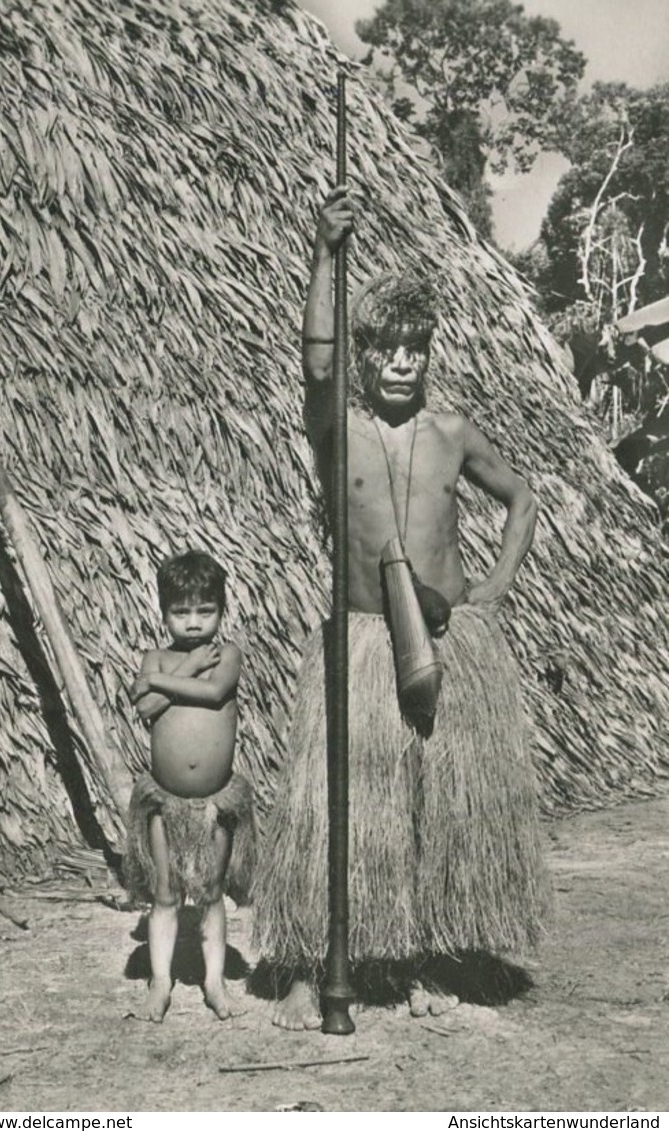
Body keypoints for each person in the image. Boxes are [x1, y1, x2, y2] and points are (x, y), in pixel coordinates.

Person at [253, 186, 548, 1030]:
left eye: (415, 349)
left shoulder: (453, 431)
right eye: (385, 349)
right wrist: (323, 251)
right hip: (360, 645)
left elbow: (523, 497)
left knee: (439, 813)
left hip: (452, 643)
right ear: (367, 353)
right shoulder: (337, 430)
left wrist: (492, 588)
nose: (401, 364)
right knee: (335, 812)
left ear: (428, 354)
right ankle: (314, 963)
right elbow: (315, 361)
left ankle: (428, 958)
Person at [125, 549, 255, 1023]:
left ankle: (214, 982)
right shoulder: (156, 657)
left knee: (211, 892)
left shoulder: (227, 655)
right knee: (164, 893)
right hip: (165, 799)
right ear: (163, 613)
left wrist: (167, 679)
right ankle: (160, 982)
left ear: (221, 610)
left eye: (205, 611)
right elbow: (142, 708)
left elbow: (215, 691)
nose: (194, 623)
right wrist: (181, 667)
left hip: (215, 801)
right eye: (181, 612)